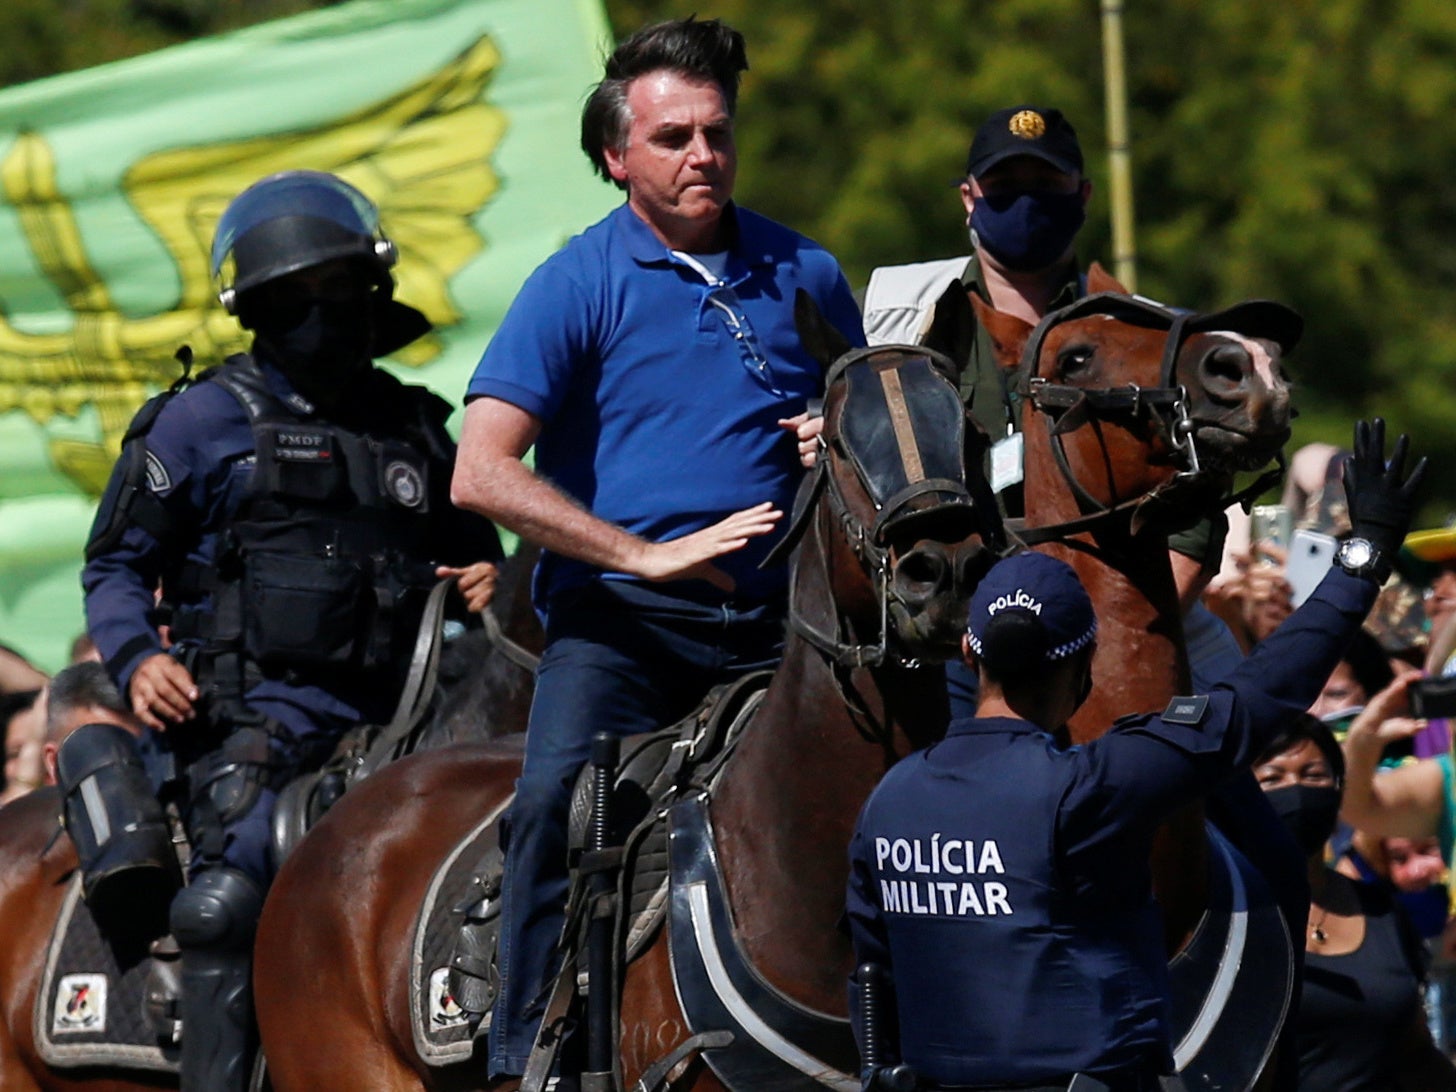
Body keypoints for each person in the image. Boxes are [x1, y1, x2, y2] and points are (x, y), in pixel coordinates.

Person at [449, 16, 864, 1085]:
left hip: (787, 637)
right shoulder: (574, 280)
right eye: (672, 137)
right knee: (547, 805)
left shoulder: (807, 271)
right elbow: (481, 472)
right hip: (620, 639)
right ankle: (519, 1057)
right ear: (614, 156)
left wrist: (836, 435)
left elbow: (872, 437)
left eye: (716, 134)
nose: (700, 157)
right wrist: (638, 556)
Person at [79, 169, 504, 1092]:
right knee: (226, 905)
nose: (323, 313)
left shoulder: (417, 430)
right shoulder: (196, 425)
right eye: (296, 299)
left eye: (339, 289)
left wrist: (490, 574)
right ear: (259, 310)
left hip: (414, 716)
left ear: (373, 289)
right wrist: (139, 657)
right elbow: (113, 567)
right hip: (250, 728)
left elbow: (480, 560)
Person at [845, 418, 1422, 1091]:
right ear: (1085, 666)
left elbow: (871, 975)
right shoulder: (1089, 786)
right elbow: (1256, 701)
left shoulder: (889, 802)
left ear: (970, 652)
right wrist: (1362, 561)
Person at [1253, 713, 1456, 1089]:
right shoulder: (1221, 918)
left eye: (1314, 775)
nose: (1296, 790)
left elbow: (1416, 1052)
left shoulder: (1381, 910)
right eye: (1273, 778)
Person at [42, 661, 141, 785]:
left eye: (139, 750)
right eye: (102, 751)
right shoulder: (33, 805)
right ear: (54, 763)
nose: (125, 764)